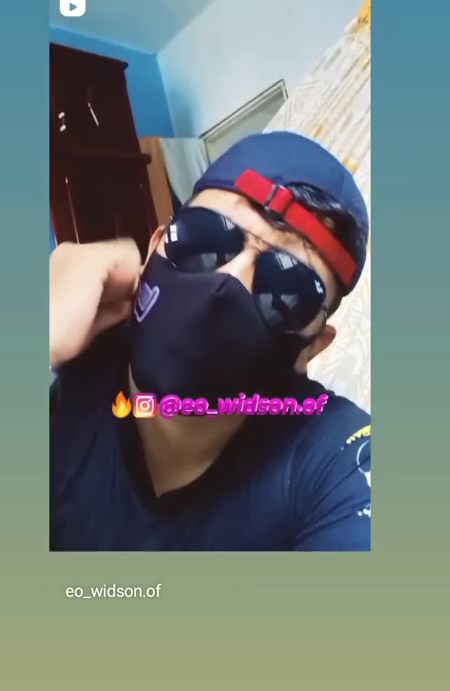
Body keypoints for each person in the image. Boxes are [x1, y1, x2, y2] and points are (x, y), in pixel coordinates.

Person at [50, 132, 371, 551]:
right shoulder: (74, 366)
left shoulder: (337, 462)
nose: (228, 281)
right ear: (155, 246)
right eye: (204, 240)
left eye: (288, 289)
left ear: (312, 347)